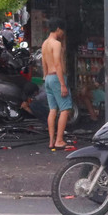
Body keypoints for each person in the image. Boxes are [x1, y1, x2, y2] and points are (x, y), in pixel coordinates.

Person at [41, 19, 71, 151]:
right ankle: (59, 140)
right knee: (65, 109)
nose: (62, 33)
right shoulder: (56, 44)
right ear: (58, 29)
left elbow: (44, 62)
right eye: (62, 31)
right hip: (56, 77)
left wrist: (45, 75)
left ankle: (51, 140)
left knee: (52, 109)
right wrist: (62, 84)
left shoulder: (44, 44)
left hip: (48, 77)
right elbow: (58, 64)